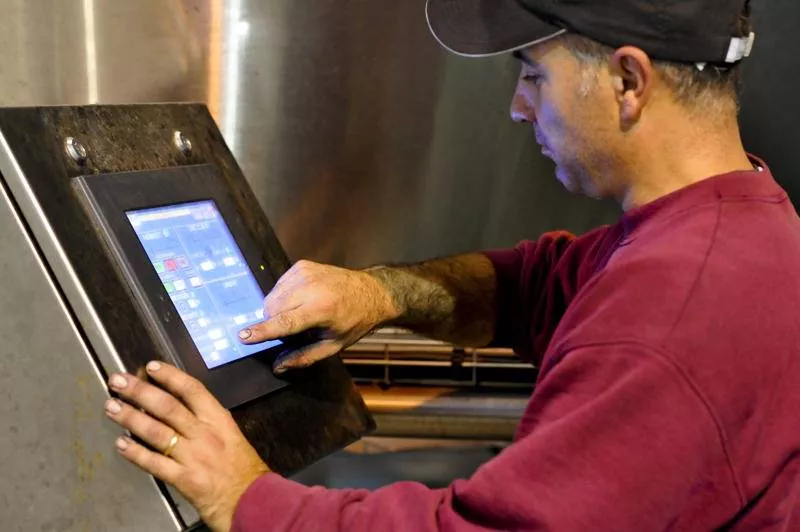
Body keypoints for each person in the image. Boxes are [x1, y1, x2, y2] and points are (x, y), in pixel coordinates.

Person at [103, 0, 800, 530]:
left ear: (627, 80)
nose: (519, 107)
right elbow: (528, 286)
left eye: (534, 75)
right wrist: (380, 294)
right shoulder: (726, 226)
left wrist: (245, 498)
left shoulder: (676, 308)